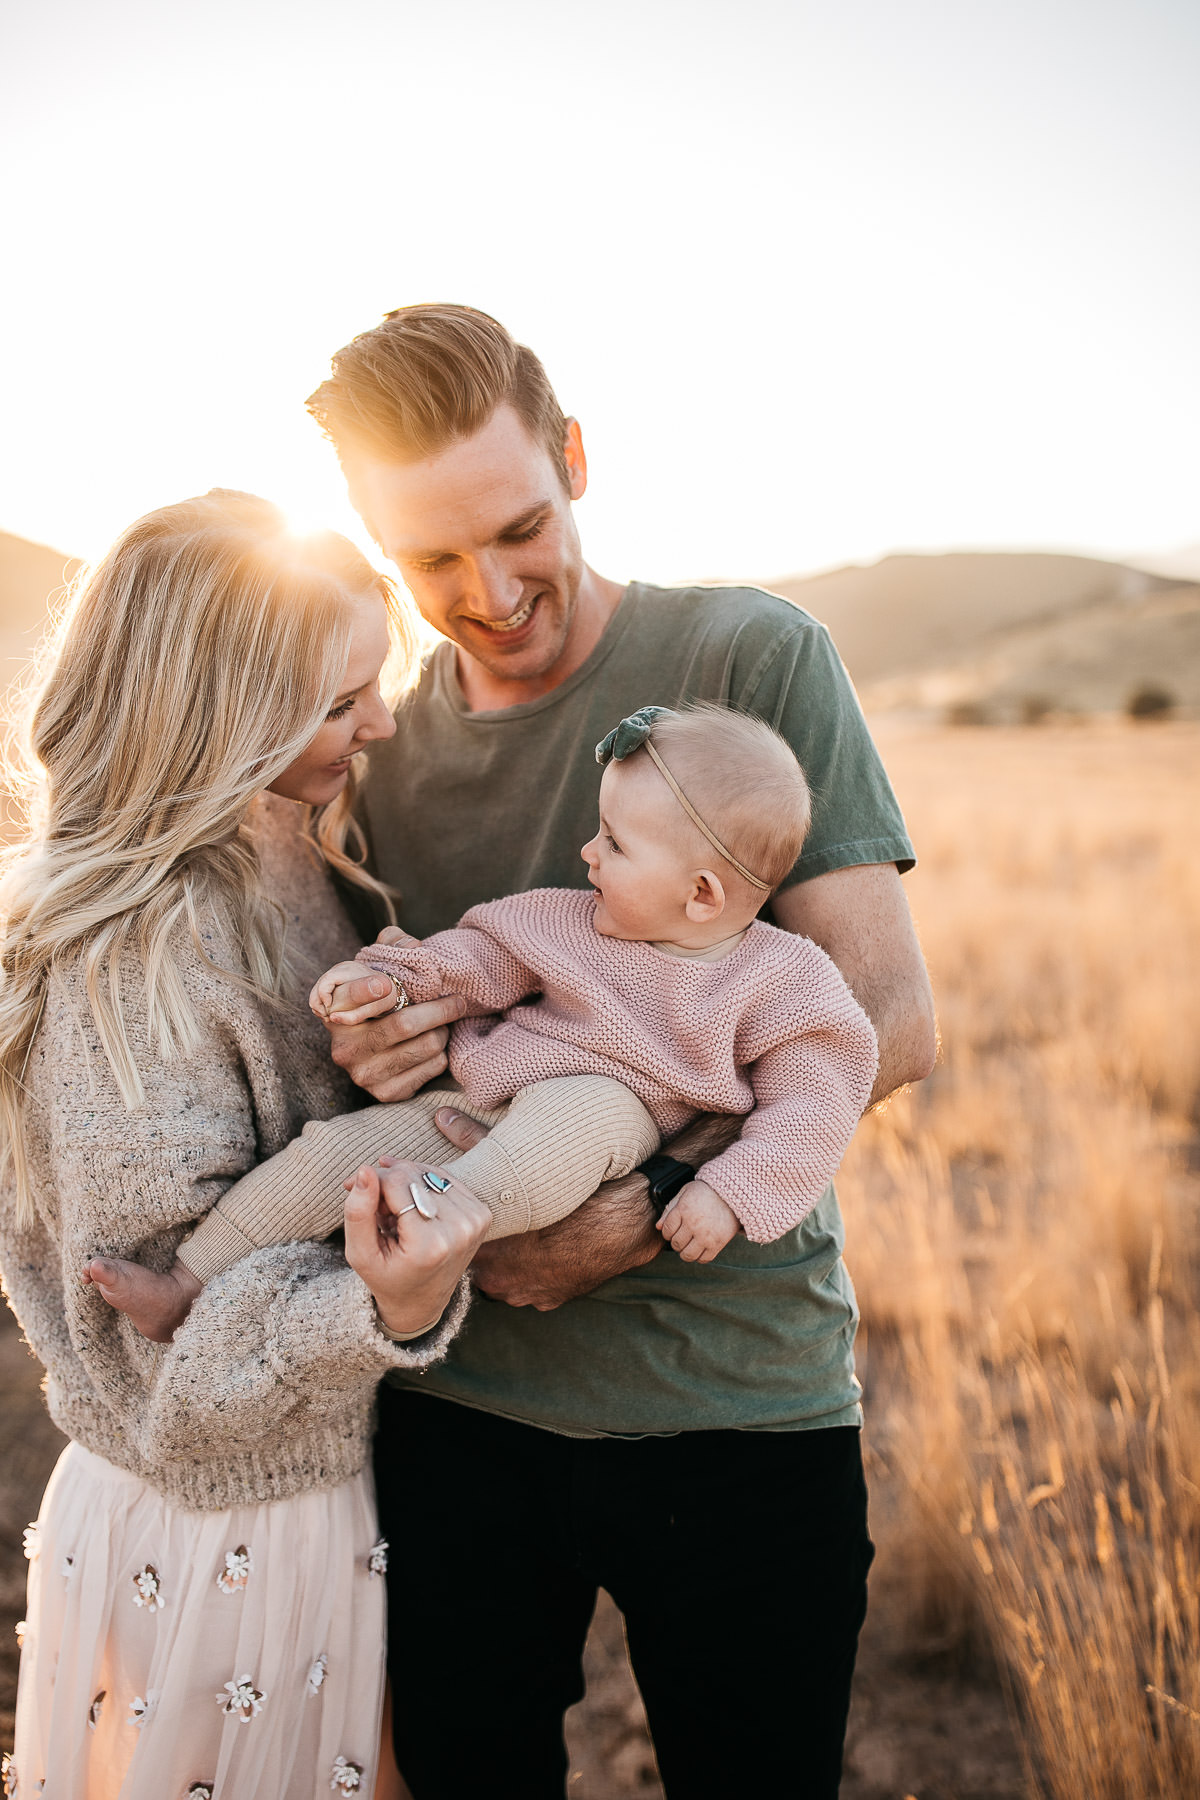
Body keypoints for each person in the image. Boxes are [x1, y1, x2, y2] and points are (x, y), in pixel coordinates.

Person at [295, 303, 939, 1799]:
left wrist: (626, 1217)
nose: (491, 589)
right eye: (433, 561)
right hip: (453, 1407)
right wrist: (389, 1046)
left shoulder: (749, 656)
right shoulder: (384, 741)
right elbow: (427, 1015)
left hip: (734, 1399)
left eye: (520, 527)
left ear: (576, 458)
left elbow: (886, 1023)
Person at [0, 492, 490, 1800]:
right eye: (341, 704)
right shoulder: (137, 953)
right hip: (218, 1532)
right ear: (221, 716)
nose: (381, 726)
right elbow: (171, 1362)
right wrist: (392, 1301)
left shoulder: (295, 851)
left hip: (316, 1494)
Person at [92, 702, 878, 1343]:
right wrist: (386, 982)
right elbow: (473, 959)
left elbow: (817, 1102)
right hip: (482, 1101)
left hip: (615, 1116)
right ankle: (188, 1282)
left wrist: (729, 1192)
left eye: (614, 842)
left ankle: (425, 1226)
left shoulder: (784, 980)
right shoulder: (563, 920)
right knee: (331, 1154)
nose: (587, 852)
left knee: (574, 1118)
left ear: (703, 895)